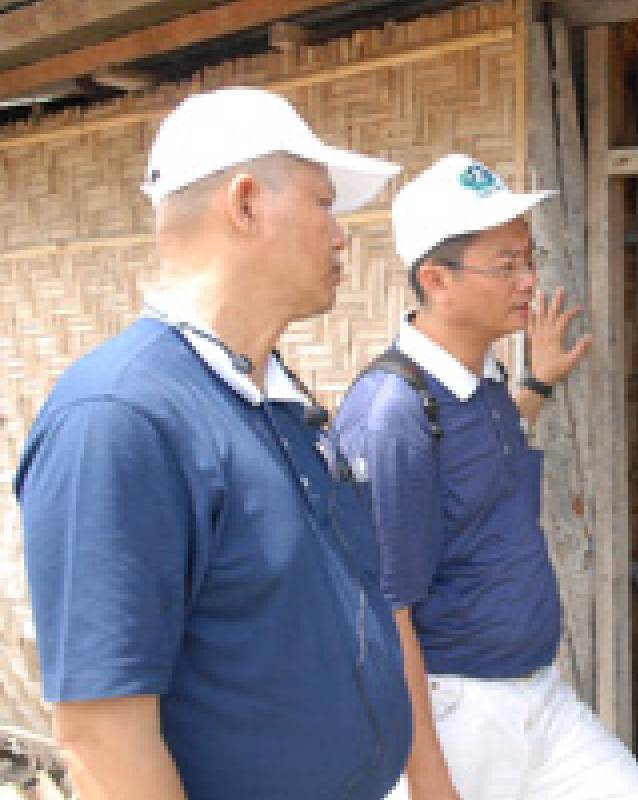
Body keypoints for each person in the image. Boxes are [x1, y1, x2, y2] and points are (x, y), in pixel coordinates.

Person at [16, 87, 412, 800]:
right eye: (324, 204)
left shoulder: (274, 400)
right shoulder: (119, 418)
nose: (341, 234)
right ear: (246, 203)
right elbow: (104, 739)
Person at [333, 154, 638, 800]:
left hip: (538, 697)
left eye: (528, 258)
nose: (529, 281)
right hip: (456, 713)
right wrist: (430, 782)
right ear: (437, 280)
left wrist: (535, 384)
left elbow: (479, 472)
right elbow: (385, 610)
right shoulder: (392, 414)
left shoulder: (480, 385)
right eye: (506, 265)